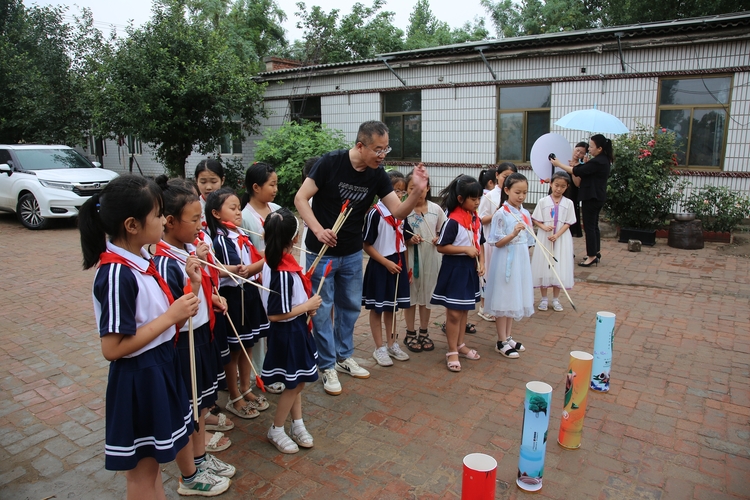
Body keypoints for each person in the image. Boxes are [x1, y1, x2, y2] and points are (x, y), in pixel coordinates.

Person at [78, 175, 230, 497]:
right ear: (132, 225)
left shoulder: (143, 260)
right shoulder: (117, 273)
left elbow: (164, 313)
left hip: (160, 368)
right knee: (144, 476)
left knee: (155, 469)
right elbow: (112, 347)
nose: (164, 221)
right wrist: (170, 317)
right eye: (158, 214)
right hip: (139, 379)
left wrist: (192, 285)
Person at [294, 120, 429, 396]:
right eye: (378, 149)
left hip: (353, 253)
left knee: (350, 307)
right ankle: (327, 364)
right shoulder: (330, 163)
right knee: (322, 310)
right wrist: (319, 230)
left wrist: (416, 191)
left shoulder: (377, 173)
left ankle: (344, 356)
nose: (382, 155)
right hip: (321, 253)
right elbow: (300, 198)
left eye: (385, 149)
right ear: (360, 146)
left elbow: (399, 212)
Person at [152, 176, 236, 478]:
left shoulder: (186, 251)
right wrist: (198, 285)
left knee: (201, 406)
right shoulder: (165, 262)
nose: (201, 226)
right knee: (189, 409)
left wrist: (211, 296)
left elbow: (195, 295)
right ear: (170, 222)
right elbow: (174, 308)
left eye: (201, 217)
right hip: (183, 342)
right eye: (195, 219)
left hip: (202, 335)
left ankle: (200, 459)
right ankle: (191, 473)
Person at [260, 208, 322, 454]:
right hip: (288, 333)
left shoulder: (276, 260)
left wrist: (306, 308)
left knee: (296, 380)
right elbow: (274, 314)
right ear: (294, 239)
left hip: (296, 328)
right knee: (294, 384)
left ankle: (297, 423)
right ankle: (276, 428)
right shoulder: (281, 271)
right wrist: (306, 306)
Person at [206, 187, 270, 419]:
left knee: (248, 343)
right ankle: (234, 395)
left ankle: (246, 387)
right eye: (232, 208)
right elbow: (224, 271)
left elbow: (248, 266)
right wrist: (254, 265)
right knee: (235, 348)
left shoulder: (240, 234)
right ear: (215, 213)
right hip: (234, 297)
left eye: (238, 207)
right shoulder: (220, 240)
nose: (238, 212)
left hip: (250, 293)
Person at [430, 175, 485, 373]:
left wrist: (482, 263)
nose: (477, 202)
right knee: (453, 312)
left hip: (470, 268)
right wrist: (464, 250)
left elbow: (481, 244)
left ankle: (460, 344)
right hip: (455, 270)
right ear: (461, 199)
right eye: (473, 198)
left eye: (479, 198)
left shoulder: (475, 218)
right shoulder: (452, 221)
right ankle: (452, 350)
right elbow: (441, 247)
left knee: (463, 311)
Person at [240, 162, 285, 394]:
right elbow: (248, 252)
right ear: (256, 187)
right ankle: (260, 371)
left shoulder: (276, 209)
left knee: (276, 326)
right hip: (257, 281)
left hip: (277, 279)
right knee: (259, 330)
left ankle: (274, 366)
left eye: (276, 184)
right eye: (272, 184)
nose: (275, 189)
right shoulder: (244, 216)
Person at [362, 170, 413, 367]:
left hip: (398, 263)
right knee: (377, 308)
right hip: (381, 264)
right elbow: (366, 245)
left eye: (402, 192)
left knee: (392, 307)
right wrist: (385, 262)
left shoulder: (402, 212)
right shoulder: (375, 214)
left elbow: (404, 242)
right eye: (395, 191)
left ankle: (392, 344)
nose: (399, 196)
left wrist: (405, 266)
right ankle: (379, 347)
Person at [485, 173, 533, 359]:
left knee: (514, 296)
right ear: (506, 190)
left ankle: (509, 336)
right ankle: (501, 340)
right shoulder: (501, 213)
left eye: (524, 193)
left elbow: (528, 239)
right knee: (503, 297)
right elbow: (496, 242)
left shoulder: (525, 213)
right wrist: (513, 234)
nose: (521, 196)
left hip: (520, 259)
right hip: (505, 258)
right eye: (517, 192)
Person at [551, 134, 613, 266]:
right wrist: (584, 164)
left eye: (591, 147)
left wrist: (558, 164)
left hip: (591, 196)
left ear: (600, 148)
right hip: (597, 196)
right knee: (594, 226)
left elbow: (577, 171)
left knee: (589, 227)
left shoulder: (598, 161)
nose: (589, 149)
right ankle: (595, 252)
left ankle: (591, 256)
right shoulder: (603, 160)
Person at [403, 171, 444, 353]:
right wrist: (409, 241)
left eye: (421, 188)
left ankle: (424, 331)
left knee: (427, 295)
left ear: (427, 188)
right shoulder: (403, 210)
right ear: (406, 190)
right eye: (413, 188)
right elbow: (397, 237)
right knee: (411, 296)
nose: (418, 193)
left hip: (431, 257)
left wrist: (438, 239)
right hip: (411, 258)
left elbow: (444, 231)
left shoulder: (436, 210)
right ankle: (410, 332)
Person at [531, 171, 576, 312]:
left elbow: (568, 222)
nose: (558, 189)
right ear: (550, 184)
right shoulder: (543, 202)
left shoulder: (569, 203)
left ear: (567, 187)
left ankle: (556, 299)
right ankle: (544, 298)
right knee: (544, 264)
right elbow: (536, 219)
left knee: (560, 267)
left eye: (562, 186)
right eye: (556, 185)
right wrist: (544, 227)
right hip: (545, 237)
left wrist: (557, 235)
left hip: (562, 238)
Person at [477, 167, 497, 322]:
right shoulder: (489, 196)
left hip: (502, 242)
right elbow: (481, 218)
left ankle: (494, 304)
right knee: (487, 272)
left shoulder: (510, 196)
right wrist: (497, 213)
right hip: (488, 240)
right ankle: (484, 306)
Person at [194, 160, 225, 228]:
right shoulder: (193, 208)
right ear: (196, 181)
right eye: (203, 182)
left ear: (222, 180)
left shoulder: (228, 206)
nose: (208, 187)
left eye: (213, 182)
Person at [567, 142, 587, 238]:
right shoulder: (564, 160)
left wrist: (573, 169)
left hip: (572, 196)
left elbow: (577, 183)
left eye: (582, 153)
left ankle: (569, 250)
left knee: (569, 224)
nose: (578, 153)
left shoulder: (582, 167)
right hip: (560, 194)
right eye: (577, 150)